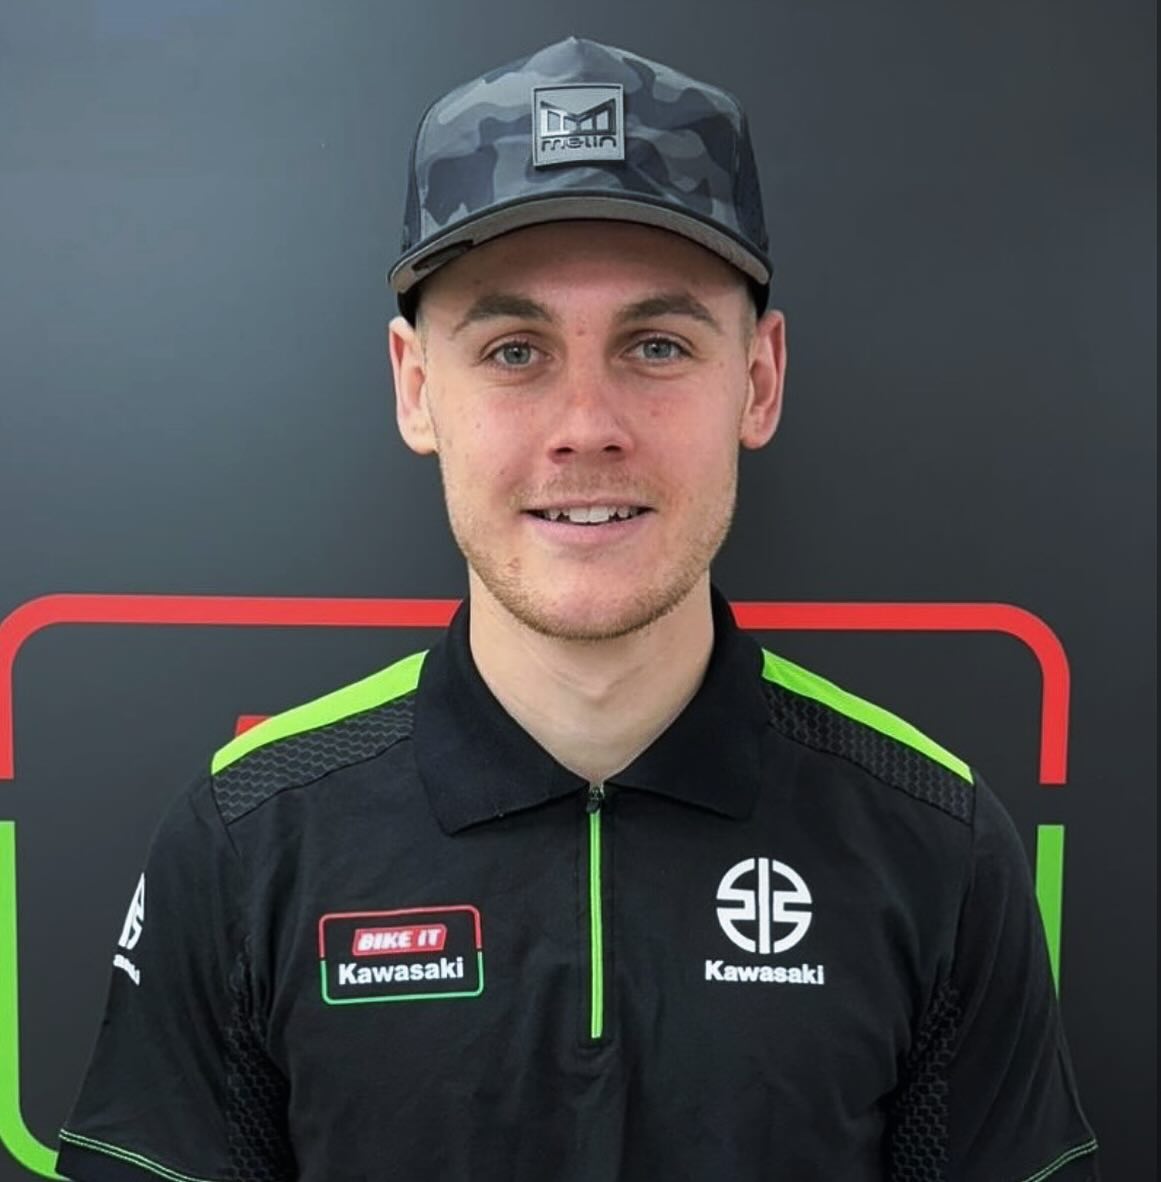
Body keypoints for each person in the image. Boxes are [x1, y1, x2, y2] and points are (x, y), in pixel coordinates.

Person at [57, 36, 1099, 1182]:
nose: (587, 426)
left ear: (758, 381)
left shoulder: (935, 848)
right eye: (515, 350)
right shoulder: (248, 841)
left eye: (657, 345)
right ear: (417, 388)